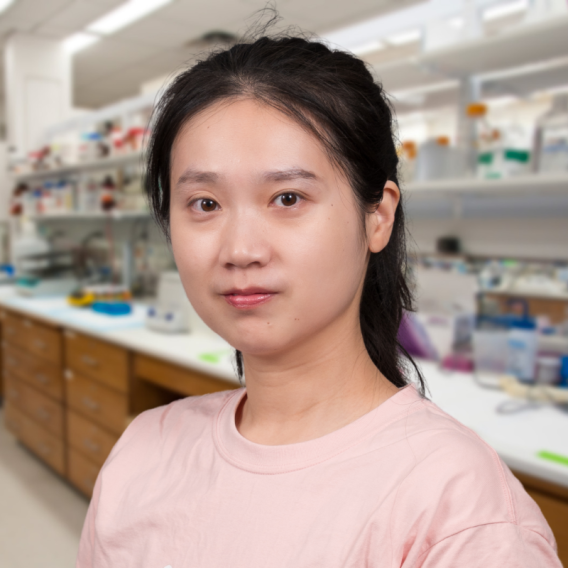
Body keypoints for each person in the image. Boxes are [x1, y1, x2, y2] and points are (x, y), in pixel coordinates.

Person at [76, 33, 562, 568]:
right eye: (205, 203)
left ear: (377, 216)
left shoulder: (462, 515)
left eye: (288, 198)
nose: (240, 250)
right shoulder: (145, 447)